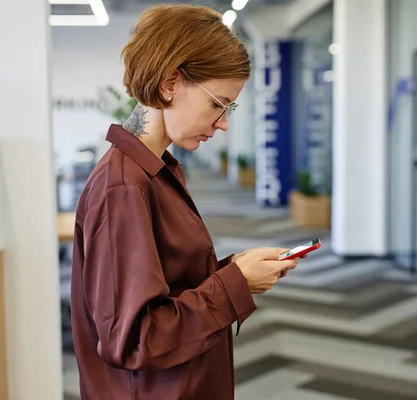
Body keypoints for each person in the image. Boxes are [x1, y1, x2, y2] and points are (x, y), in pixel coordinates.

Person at [69, 4, 302, 400]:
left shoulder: (153, 171)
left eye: (230, 108)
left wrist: (236, 272)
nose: (224, 122)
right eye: (217, 104)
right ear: (169, 84)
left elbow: (169, 287)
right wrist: (235, 285)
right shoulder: (124, 188)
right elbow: (137, 339)